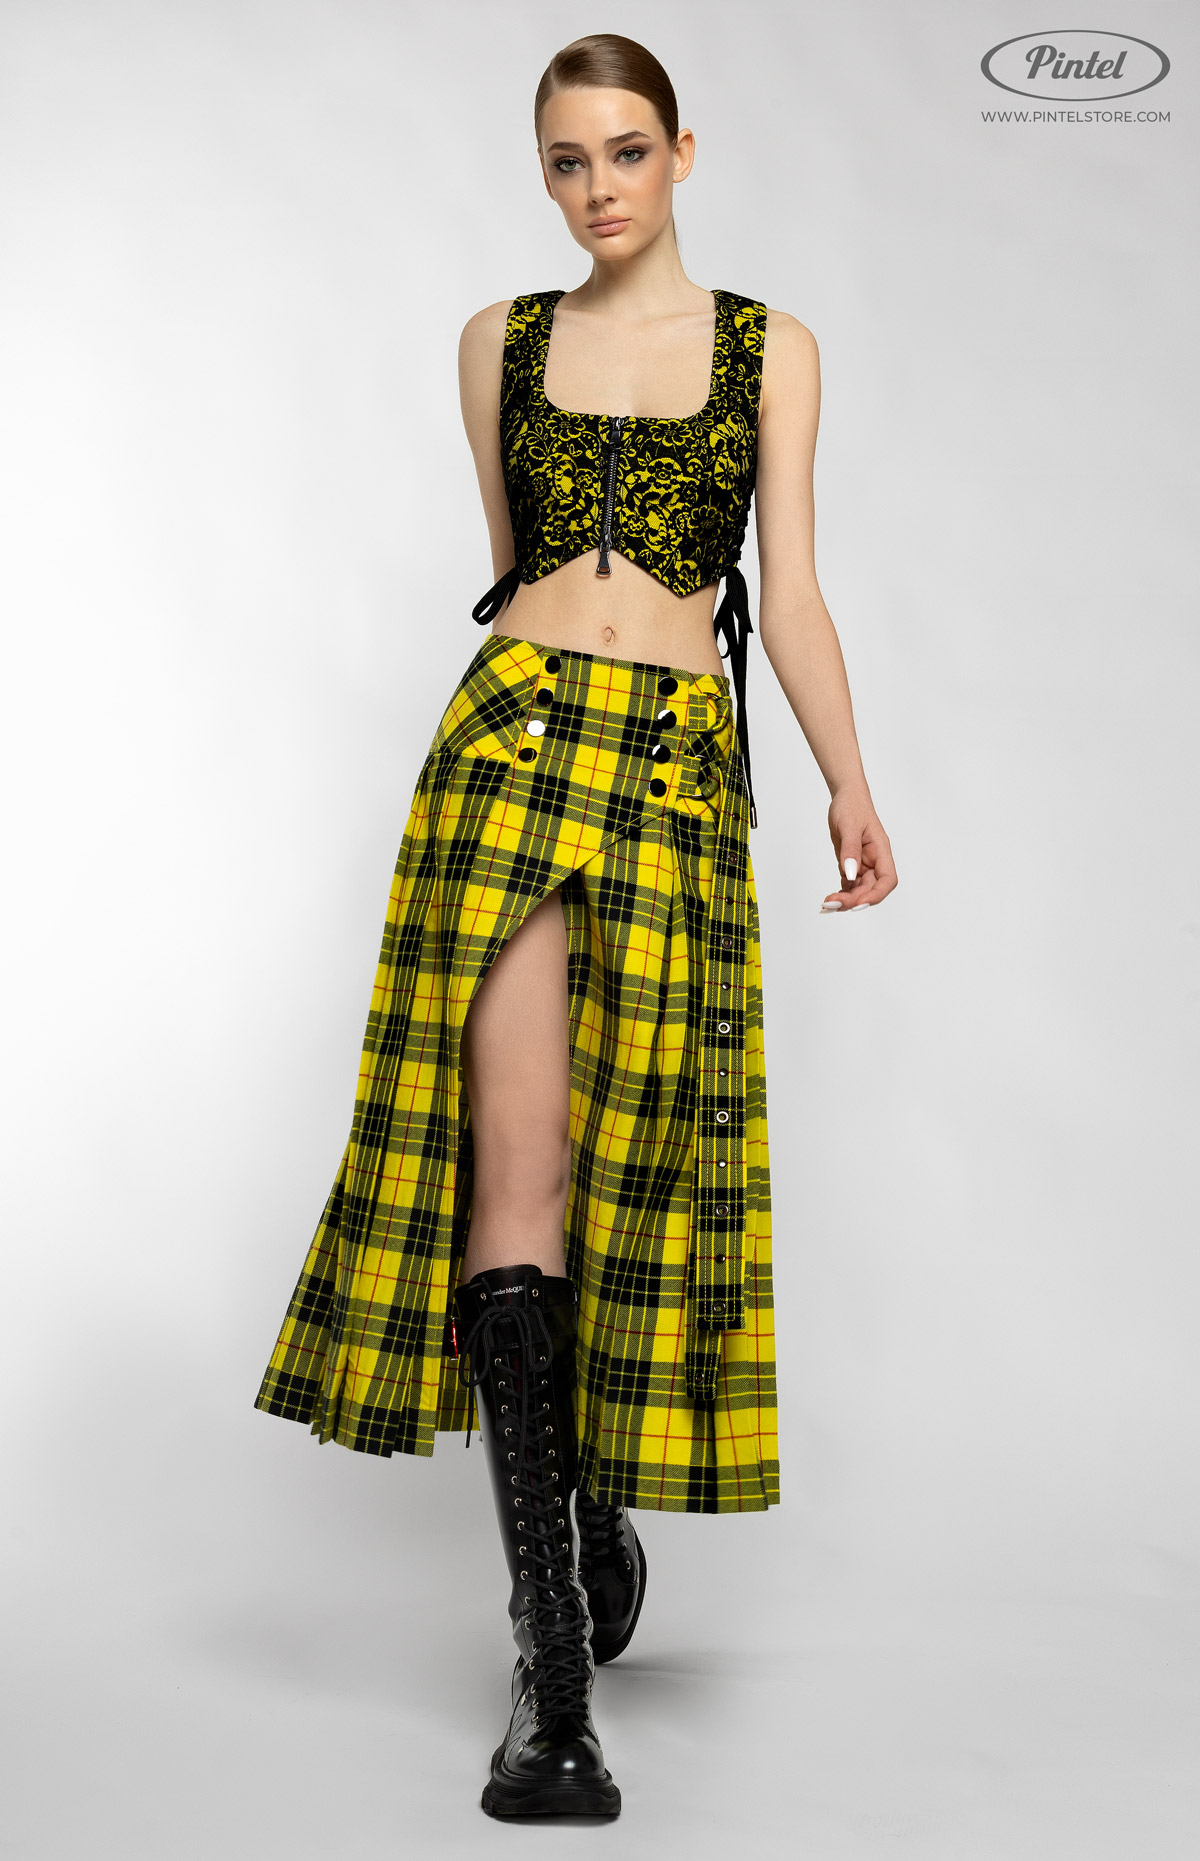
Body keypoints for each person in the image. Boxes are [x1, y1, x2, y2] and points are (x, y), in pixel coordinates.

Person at [254, 31, 897, 1821]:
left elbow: (788, 593)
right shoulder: (497, 342)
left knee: (638, 1164)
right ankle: (553, 1689)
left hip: (679, 766)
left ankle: (589, 1495)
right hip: (512, 748)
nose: (597, 188)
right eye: (564, 161)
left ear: (684, 153)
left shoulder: (773, 349)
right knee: (515, 1176)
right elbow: (513, 565)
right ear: (541, 174)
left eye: (624, 151)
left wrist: (851, 782)